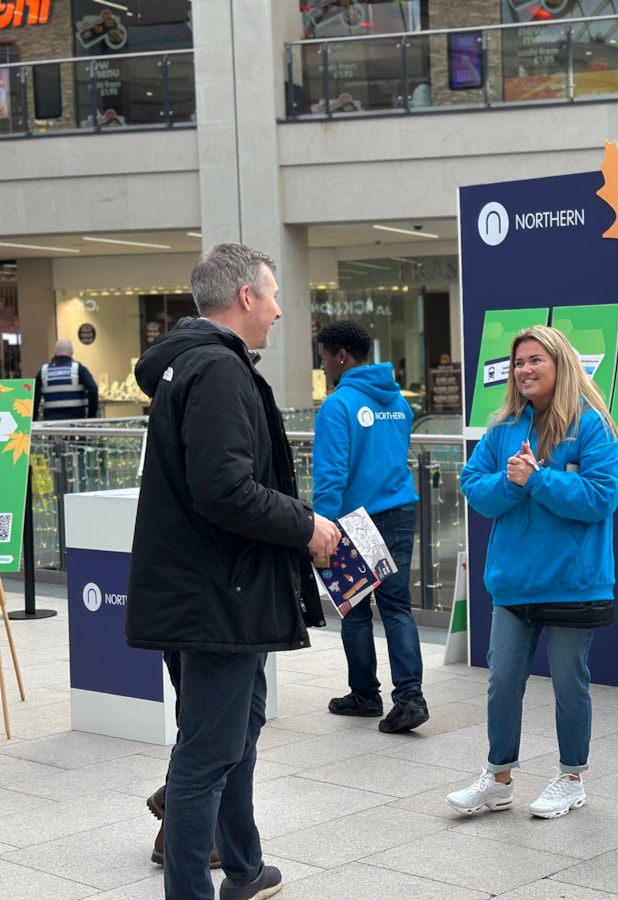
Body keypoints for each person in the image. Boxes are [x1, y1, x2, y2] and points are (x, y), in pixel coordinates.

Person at [125, 243, 341, 900]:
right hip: (217, 597)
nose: (279, 310)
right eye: (274, 295)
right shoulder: (216, 372)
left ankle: (243, 870)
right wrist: (306, 526)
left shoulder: (190, 367)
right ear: (246, 296)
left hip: (211, 591)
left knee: (236, 733)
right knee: (205, 753)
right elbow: (222, 489)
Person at [446, 324, 618, 820]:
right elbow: (474, 485)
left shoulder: (592, 426)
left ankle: (571, 777)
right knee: (502, 680)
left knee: (570, 684)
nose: (524, 369)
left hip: (574, 584)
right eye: (518, 362)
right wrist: (517, 482)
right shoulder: (504, 427)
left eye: (534, 361)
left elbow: (602, 497)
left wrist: (539, 478)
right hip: (512, 582)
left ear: (560, 364)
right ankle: (498, 779)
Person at [313, 320, 429, 733]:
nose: (324, 365)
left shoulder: (338, 406)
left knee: (356, 610)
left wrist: (320, 530)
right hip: (398, 512)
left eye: (325, 356)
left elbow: (330, 476)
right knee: (397, 607)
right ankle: (410, 696)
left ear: (342, 355)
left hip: (354, 520)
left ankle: (364, 695)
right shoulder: (398, 401)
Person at [34, 338, 99, 420]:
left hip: (51, 424)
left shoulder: (44, 371)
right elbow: (93, 389)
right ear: (71, 353)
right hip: (76, 423)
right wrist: (91, 417)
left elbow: (34, 398)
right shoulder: (78, 369)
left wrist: (33, 421)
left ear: (55, 352)